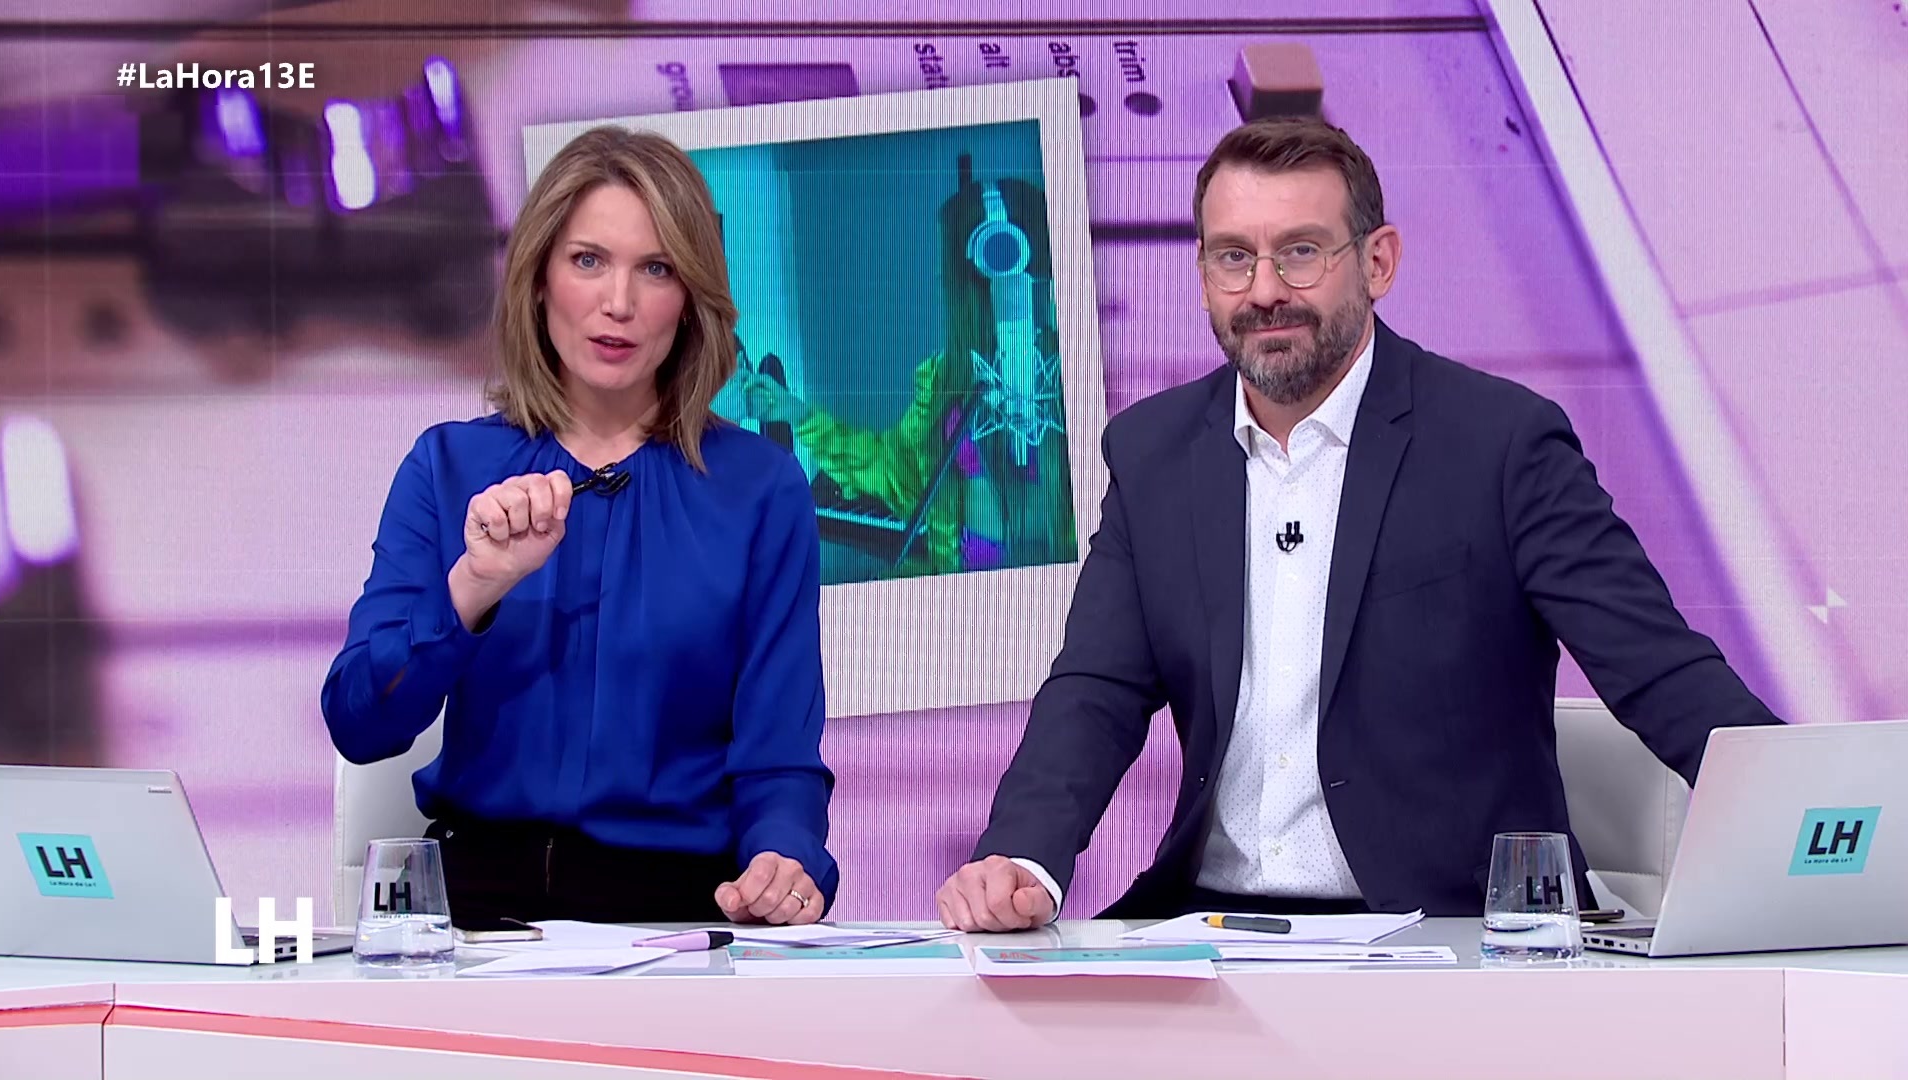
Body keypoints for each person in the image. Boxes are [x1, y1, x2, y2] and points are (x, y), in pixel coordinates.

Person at [935, 117, 1784, 931]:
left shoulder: (1500, 444)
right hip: (1211, 930)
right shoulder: (1152, 451)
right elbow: (1098, 689)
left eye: (1301, 252)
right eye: (1234, 257)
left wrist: (1815, 825)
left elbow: (1654, 667)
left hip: (1450, 938)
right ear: (1202, 276)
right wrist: (1022, 858)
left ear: (1378, 262)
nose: (1265, 290)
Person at [322, 126, 838, 928]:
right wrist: (473, 587)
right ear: (538, 279)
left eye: (656, 269)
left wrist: (785, 858)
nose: (618, 303)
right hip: (470, 914)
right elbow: (360, 721)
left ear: (690, 299)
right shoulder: (447, 466)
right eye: (588, 260)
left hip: (675, 919)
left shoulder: (760, 489)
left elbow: (780, 757)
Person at [738, 167, 1078, 578]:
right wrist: (798, 413)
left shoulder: (1076, 379)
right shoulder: (941, 381)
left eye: (946, 270)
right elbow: (890, 470)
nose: (939, 279)